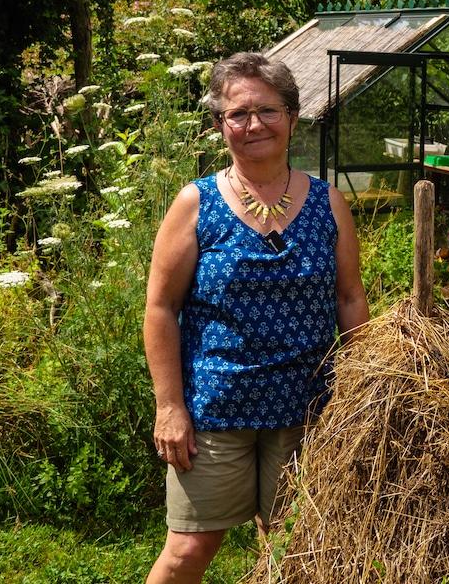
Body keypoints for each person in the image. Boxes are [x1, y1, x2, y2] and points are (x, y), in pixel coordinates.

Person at [143, 51, 368, 583]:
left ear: (292, 116)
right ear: (220, 125)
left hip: (310, 411)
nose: (253, 125)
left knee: (297, 551)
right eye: (237, 114)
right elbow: (160, 307)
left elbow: (350, 299)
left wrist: (362, 394)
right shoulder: (196, 203)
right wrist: (169, 406)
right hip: (216, 413)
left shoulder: (327, 202)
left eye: (267, 110)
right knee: (188, 550)